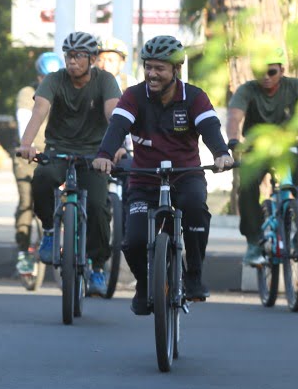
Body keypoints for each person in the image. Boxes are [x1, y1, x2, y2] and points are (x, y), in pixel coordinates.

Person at [93, 35, 235, 312]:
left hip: (186, 175)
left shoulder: (194, 97)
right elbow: (118, 126)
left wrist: (221, 154)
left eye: (159, 68)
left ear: (175, 70)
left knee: (195, 209)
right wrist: (104, 155)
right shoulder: (134, 95)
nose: (152, 74)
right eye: (148, 67)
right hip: (144, 177)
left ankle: (193, 275)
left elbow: (210, 129)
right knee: (132, 242)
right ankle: (145, 284)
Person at [17, 31, 121, 295]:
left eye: (78, 56)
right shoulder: (54, 80)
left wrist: (117, 146)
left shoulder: (105, 81)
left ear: (93, 59)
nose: (72, 61)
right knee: (41, 179)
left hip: (95, 153)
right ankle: (50, 231)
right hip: (58, 150)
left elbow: (112, 113)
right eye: (68, 56)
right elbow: (39, 110)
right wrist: (27, 144)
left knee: (98, 206)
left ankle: (97, 267)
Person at [228, 49, 298, 269]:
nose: (266, 76)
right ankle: (253, 242)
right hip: (256, 149)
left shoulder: (295, 86)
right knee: (247, 187)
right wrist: (233, 140)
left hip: (289, 148)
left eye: (271, 71)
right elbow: (234, 116)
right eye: (260, 71)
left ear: (282, 70)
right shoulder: (247, 90)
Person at [13, 51, 64, 259]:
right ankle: (23, 253)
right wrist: (29, 145)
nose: (49, 81)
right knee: (27, 202)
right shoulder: (28, 93)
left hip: (58, 155)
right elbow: (24, 118)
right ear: (38, 77)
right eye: (45, 77)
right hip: (31, 156)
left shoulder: (66, 92)